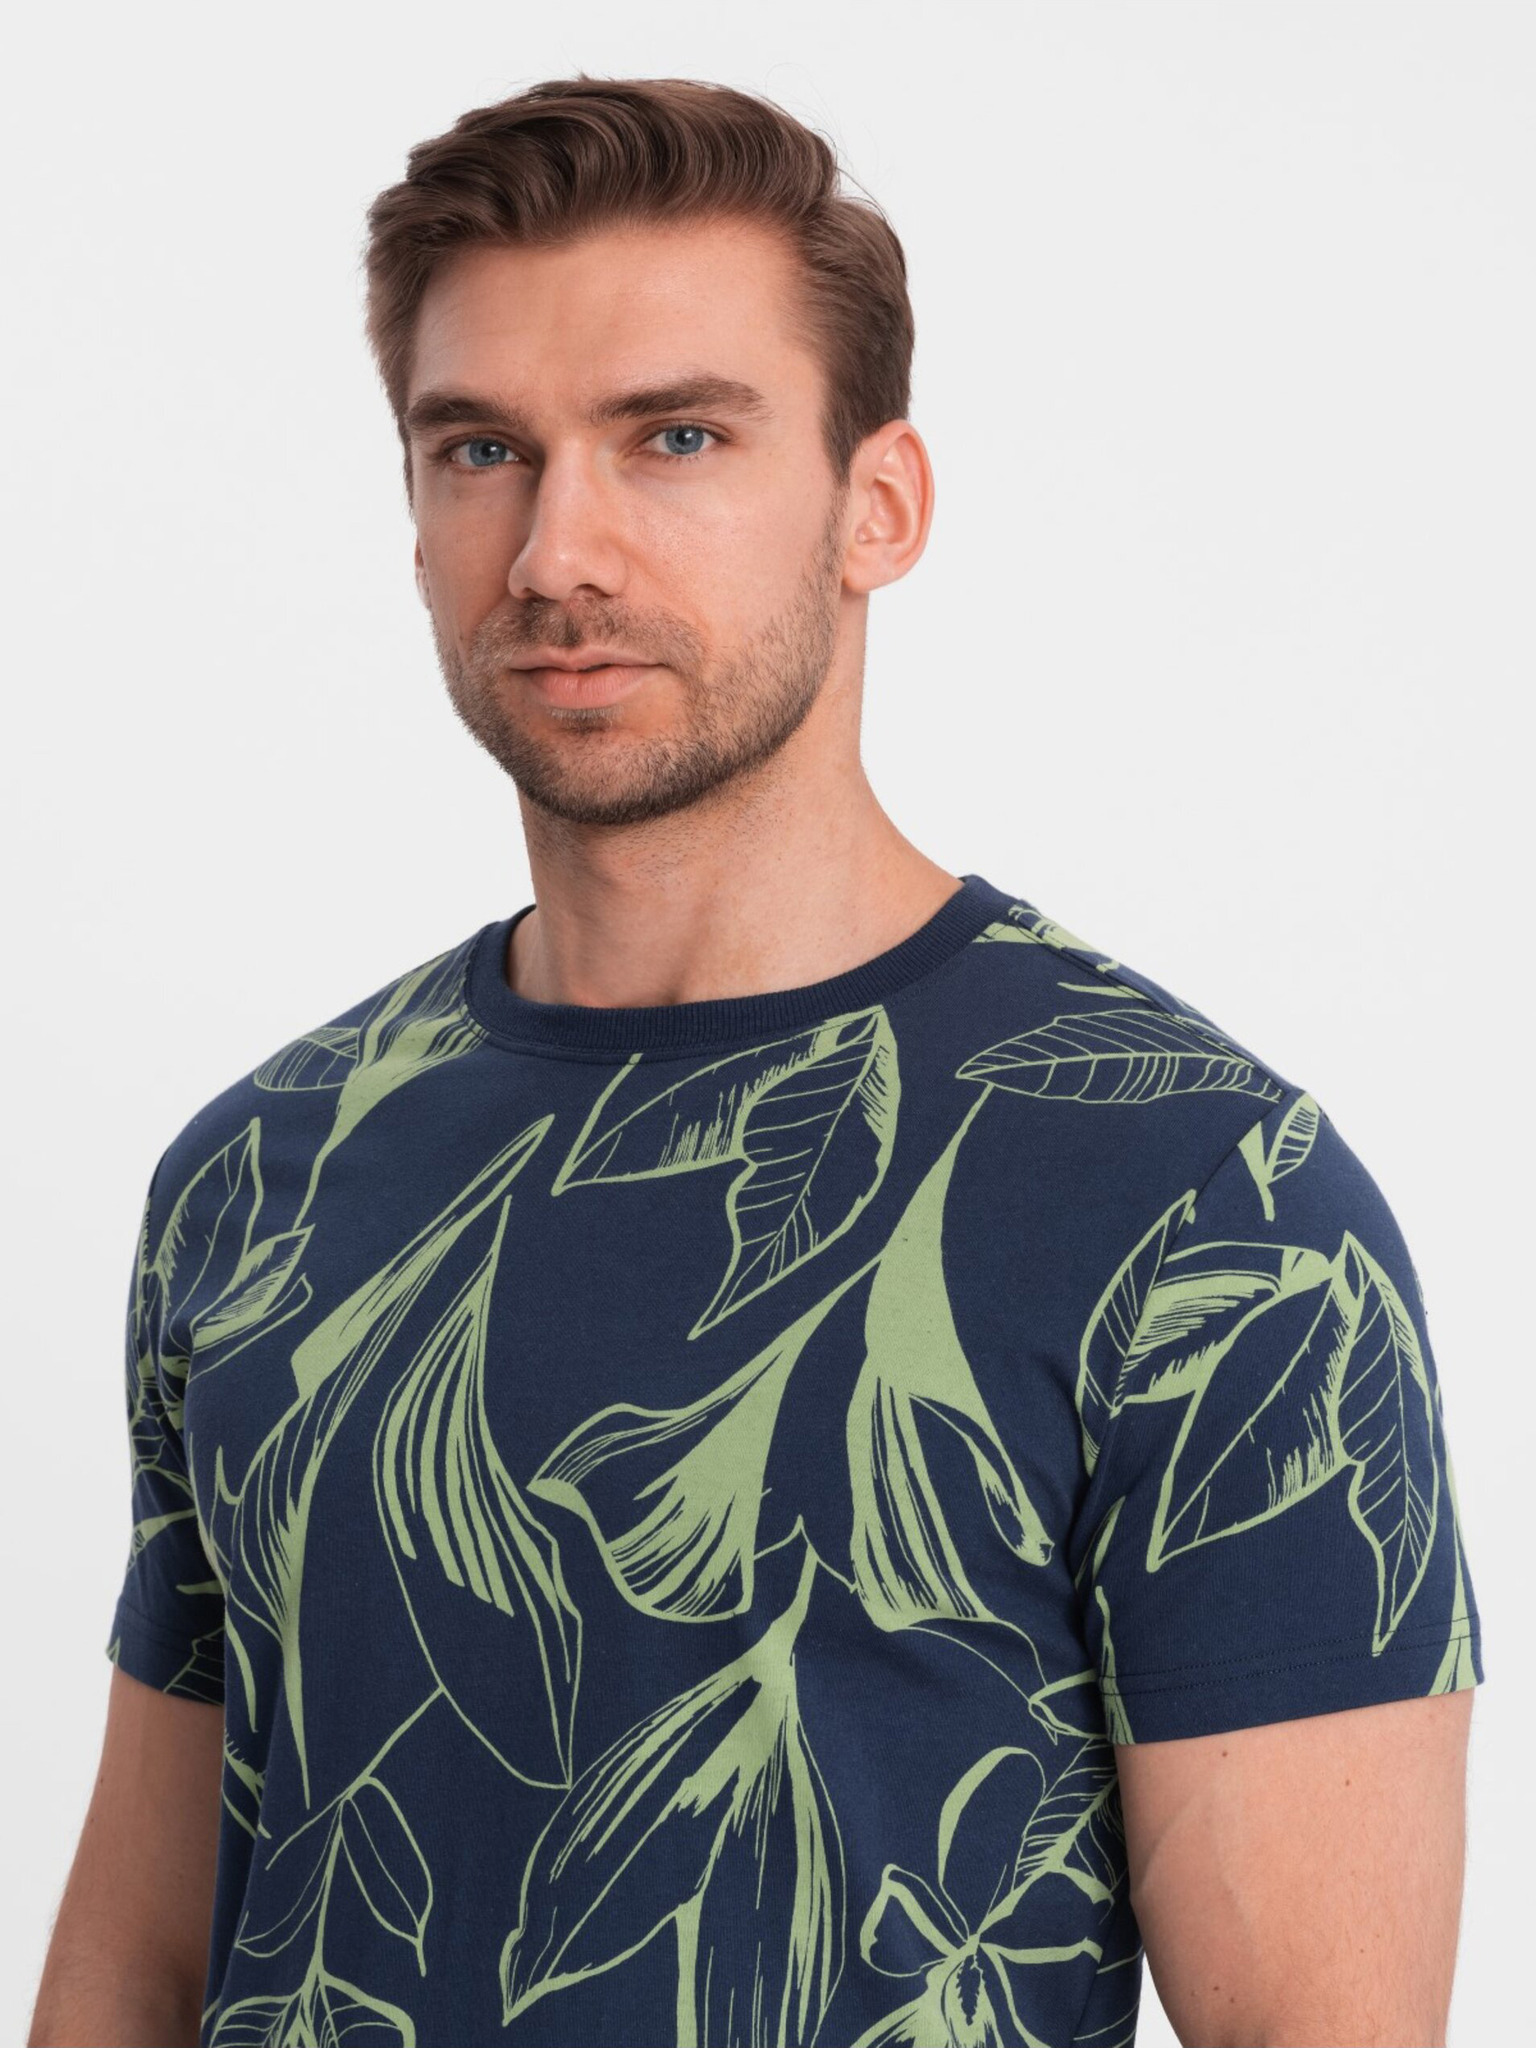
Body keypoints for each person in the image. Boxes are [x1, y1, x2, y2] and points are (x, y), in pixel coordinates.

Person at [30, 73, 1483, 2048]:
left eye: (678, 437)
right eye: (482, 450)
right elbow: (140, 1963)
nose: (557, 551)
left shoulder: (1209, 1201)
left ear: (879, 505)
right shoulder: (266, 1173)